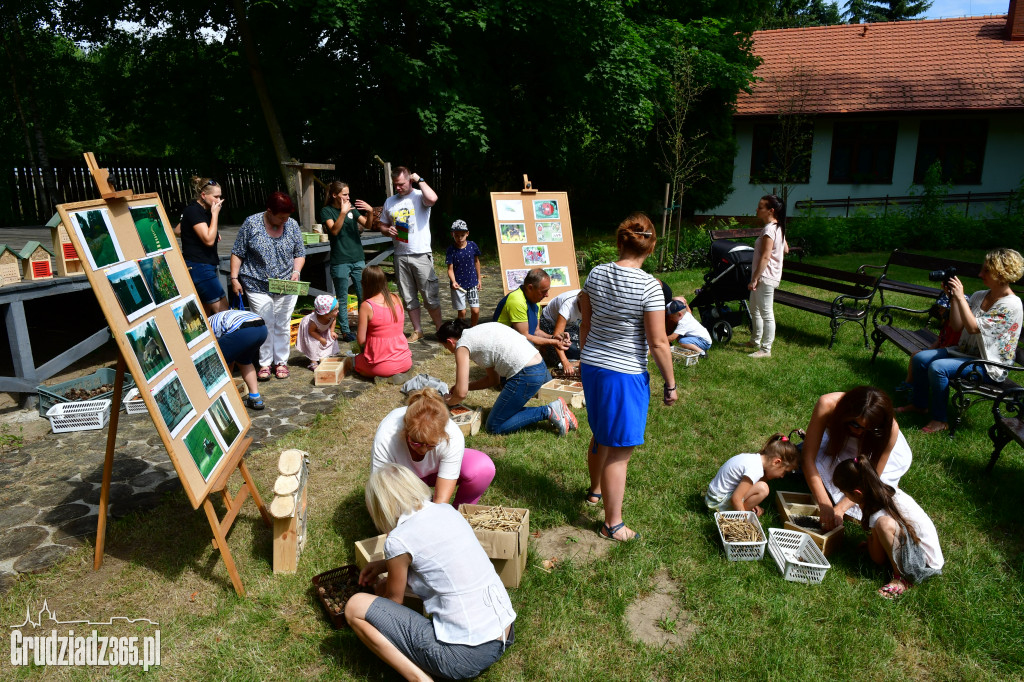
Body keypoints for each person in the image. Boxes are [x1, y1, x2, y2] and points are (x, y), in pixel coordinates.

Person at [346, 464, 516, 681]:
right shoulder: (446, 511)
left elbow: (393, 600)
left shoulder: (398, 540)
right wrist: (383, 565)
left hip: (463, 657)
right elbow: (433, 558)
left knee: (355, 606)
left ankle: (419, 678)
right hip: (503, 633)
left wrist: (380, 593)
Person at [578, 213, 677, 542]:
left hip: (593, 366)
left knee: (601, 434)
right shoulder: (650, 286)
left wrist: (588, 354)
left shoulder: (595, 274)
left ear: (620, 242)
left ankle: (595, 492)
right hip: (624, 374)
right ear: (650, 248)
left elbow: (586, 323)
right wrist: (671, 383)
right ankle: (613, 524)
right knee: (619, 450)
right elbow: (659, 342)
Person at [897, 248, 1024, 434]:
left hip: (989, 365)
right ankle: (919, 405)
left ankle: (940, 419)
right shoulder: (980, 295)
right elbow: (957, 326)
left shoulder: (1011, 305)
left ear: (1001, 273)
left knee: (938, 367)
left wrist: (961, 297)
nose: (980, 274)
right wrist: (954, 298)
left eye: (986, 270)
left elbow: (973, 327)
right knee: (920, 358)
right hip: (966, 353)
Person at [436, 320, 577, 436]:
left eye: (445, 346)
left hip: (526, 374)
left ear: (450, 341)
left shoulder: (462, 345)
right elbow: (493, 380)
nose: (449, 350)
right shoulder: (477, 334)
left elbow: (461, 394)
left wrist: (448, 400)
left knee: (494, 426)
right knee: (503, 414)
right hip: (539, 366)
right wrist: (466, 386)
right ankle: (554, 410)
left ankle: (549, 411)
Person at [801, 386, 913, 531]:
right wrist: (825, 504)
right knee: (817, 465)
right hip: (841, 446)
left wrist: (840, 508)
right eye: (855, 424)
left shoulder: (889, 429)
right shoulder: (827, 404)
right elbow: (807, 458)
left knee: (878, 489)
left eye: (867, 428)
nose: (858, 431)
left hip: (871, 453)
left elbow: (872, 477)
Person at [833, 458, 944, 599]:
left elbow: (877, 558)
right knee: (882, 526)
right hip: (925, 554)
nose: (845, 497)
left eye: (845, 494)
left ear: (857, 493)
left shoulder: (876, 509)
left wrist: (871, 538)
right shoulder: (884, 491)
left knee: (883, 524)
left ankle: (902, 578)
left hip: (923, 564)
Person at [371, 389, 495, 508]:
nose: (423, 450)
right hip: (402, 479)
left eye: (431, 445)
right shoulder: (387, 436)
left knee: (482, 468)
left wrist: (437, 516)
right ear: (405, 431)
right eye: (416, 443)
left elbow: (441, 500)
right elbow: (381, 490)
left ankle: (459, 514)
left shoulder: (452, 434)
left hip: (434, 472)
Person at [229, 192, 306, 380]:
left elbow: (300, 253)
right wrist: (234, 278)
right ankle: (264, 363)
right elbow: (238, 252)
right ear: (269, 211)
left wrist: (296, 272)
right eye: (281, 217)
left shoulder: (292, 225)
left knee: (282, 323)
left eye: (287, 217)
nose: (285, 220)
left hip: (286, 284)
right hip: (257, 283)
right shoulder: (252, 223)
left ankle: (281, 362)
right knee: (265, 323)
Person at [378, 166, 442, 343]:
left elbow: (433, 198)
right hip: (400, 254)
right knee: (408, 296)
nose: (398, 188)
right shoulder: (390, 201)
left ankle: (440, 329)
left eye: (401, 184)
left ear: (410, 180)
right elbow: (382, 224)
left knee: (430, 294)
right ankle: (418, 330)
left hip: (420, 253)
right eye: (395, 185)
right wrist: (387, 230)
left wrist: (420, 179)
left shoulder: (419, 196)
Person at [321, 181, 373, 342]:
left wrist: (370, 212)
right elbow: (334, 231)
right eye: (345, 194)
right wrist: (343, 213)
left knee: (363, 295)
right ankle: (345, 330)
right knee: (342, 298)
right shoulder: (326, 211)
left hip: (358, 258)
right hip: (340, 260)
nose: (348, 197)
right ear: (335, 195)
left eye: (348, 194)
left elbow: (368, 225)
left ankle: (364, 327)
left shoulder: (352, 209)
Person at [705, 433, 799, 516]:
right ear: (777, 462)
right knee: (763, 488)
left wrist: (753, 503)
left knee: (760, 486)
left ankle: (740, 511)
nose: (782, 476)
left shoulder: (754, 459)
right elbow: (736, 498)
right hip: (716, 504)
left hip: (713, 498)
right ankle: (736, 517)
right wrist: (746, 522)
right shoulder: (755, 469)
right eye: (785, 472)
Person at [746, 194, 789, 358]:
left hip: (765, 276)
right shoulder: (778, 228)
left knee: (766, 313)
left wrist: (755, 278)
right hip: (767, 275)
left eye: (760, 207)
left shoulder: (770, 229)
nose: (756, 209)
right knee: (755, 310)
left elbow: (765, 256)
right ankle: (755, 341)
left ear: (771, 210)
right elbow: (785, 249)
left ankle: (765, 349)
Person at [352, 265, 413, 379]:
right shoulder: (396, 298)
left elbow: (361, 340)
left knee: (354, 362)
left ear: (365, 284)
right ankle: (395, 374)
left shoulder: (367, 306)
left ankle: (382, 376)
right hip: (405, 361)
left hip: (382, 364)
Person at [179, 177, 228, 315]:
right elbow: (208, 240)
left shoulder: (204, 211)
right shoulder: (194, 211)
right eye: (216, 197)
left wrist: (207, 231)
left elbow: (179, 229)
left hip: (207, 265)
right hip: (199, 266)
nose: (219, 201)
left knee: (206, 314)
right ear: (203, 195)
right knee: (223, 311)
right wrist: (215, 216)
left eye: (220, 196)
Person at [494, 268, 571, 354]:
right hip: (503, 347)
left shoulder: (536, 300)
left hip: (519, 344)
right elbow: (524, 336)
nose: (547, 295)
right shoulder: (517, 301)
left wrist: (555, 338)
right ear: (530, 288)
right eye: (543, 291)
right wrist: (554, 343)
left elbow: (536, 331)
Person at [209, 309, 267, 410]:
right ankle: (256, 398)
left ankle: (227, 399)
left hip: (243, 330)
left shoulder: (206, 328)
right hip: (262, 329)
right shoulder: (215, 319)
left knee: (220, 362)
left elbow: (225, 360)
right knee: (244, 361)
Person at [446, 219, 483, 326]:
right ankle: (461, 331)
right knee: (462, 312)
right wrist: (453, 281)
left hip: (472, 283)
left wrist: (479, 279)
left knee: (475, 310)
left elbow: (476, 262)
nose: (459, 238)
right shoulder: (451, 250)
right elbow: (450, 269)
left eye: (462, 235)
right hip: (458, 285)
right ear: (452, 234)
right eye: (456, 235)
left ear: (467, 233)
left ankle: (473, 328)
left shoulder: (472, 246)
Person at [538, 288, 582, 374]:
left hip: (571, 324)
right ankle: (544, 351)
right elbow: (557, 335)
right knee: (557, 358)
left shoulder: (593, 303)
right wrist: (565, 363)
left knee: (576, 351)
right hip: (550, 322)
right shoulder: (568, 306)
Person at [296, 294, 340, 371]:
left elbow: (334, 320)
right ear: (326, 314)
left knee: (331, 338)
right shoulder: (313, 321)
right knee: (313, 343)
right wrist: (320, 338)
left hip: (321, 328)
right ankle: (313, 361)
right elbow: (311, 331)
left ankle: (324, 356)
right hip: (310, 330)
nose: (338, 311)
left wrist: (332, 331)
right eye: (335, 310)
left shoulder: (331, 316)